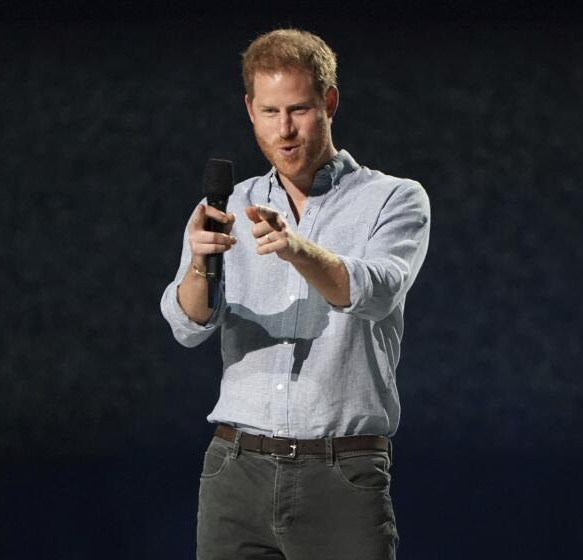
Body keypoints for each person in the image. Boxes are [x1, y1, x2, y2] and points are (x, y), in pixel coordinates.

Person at [160, 28, 430, 560]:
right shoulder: (229, 204)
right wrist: (198, 262)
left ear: (329, 102)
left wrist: (295, 249)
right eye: (269, 111)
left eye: (299, 110)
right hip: (235, 469)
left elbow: (376, 290)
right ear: (249, 109)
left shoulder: (392, 199)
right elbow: (187, 325)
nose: (284, 130)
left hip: (341, 473)